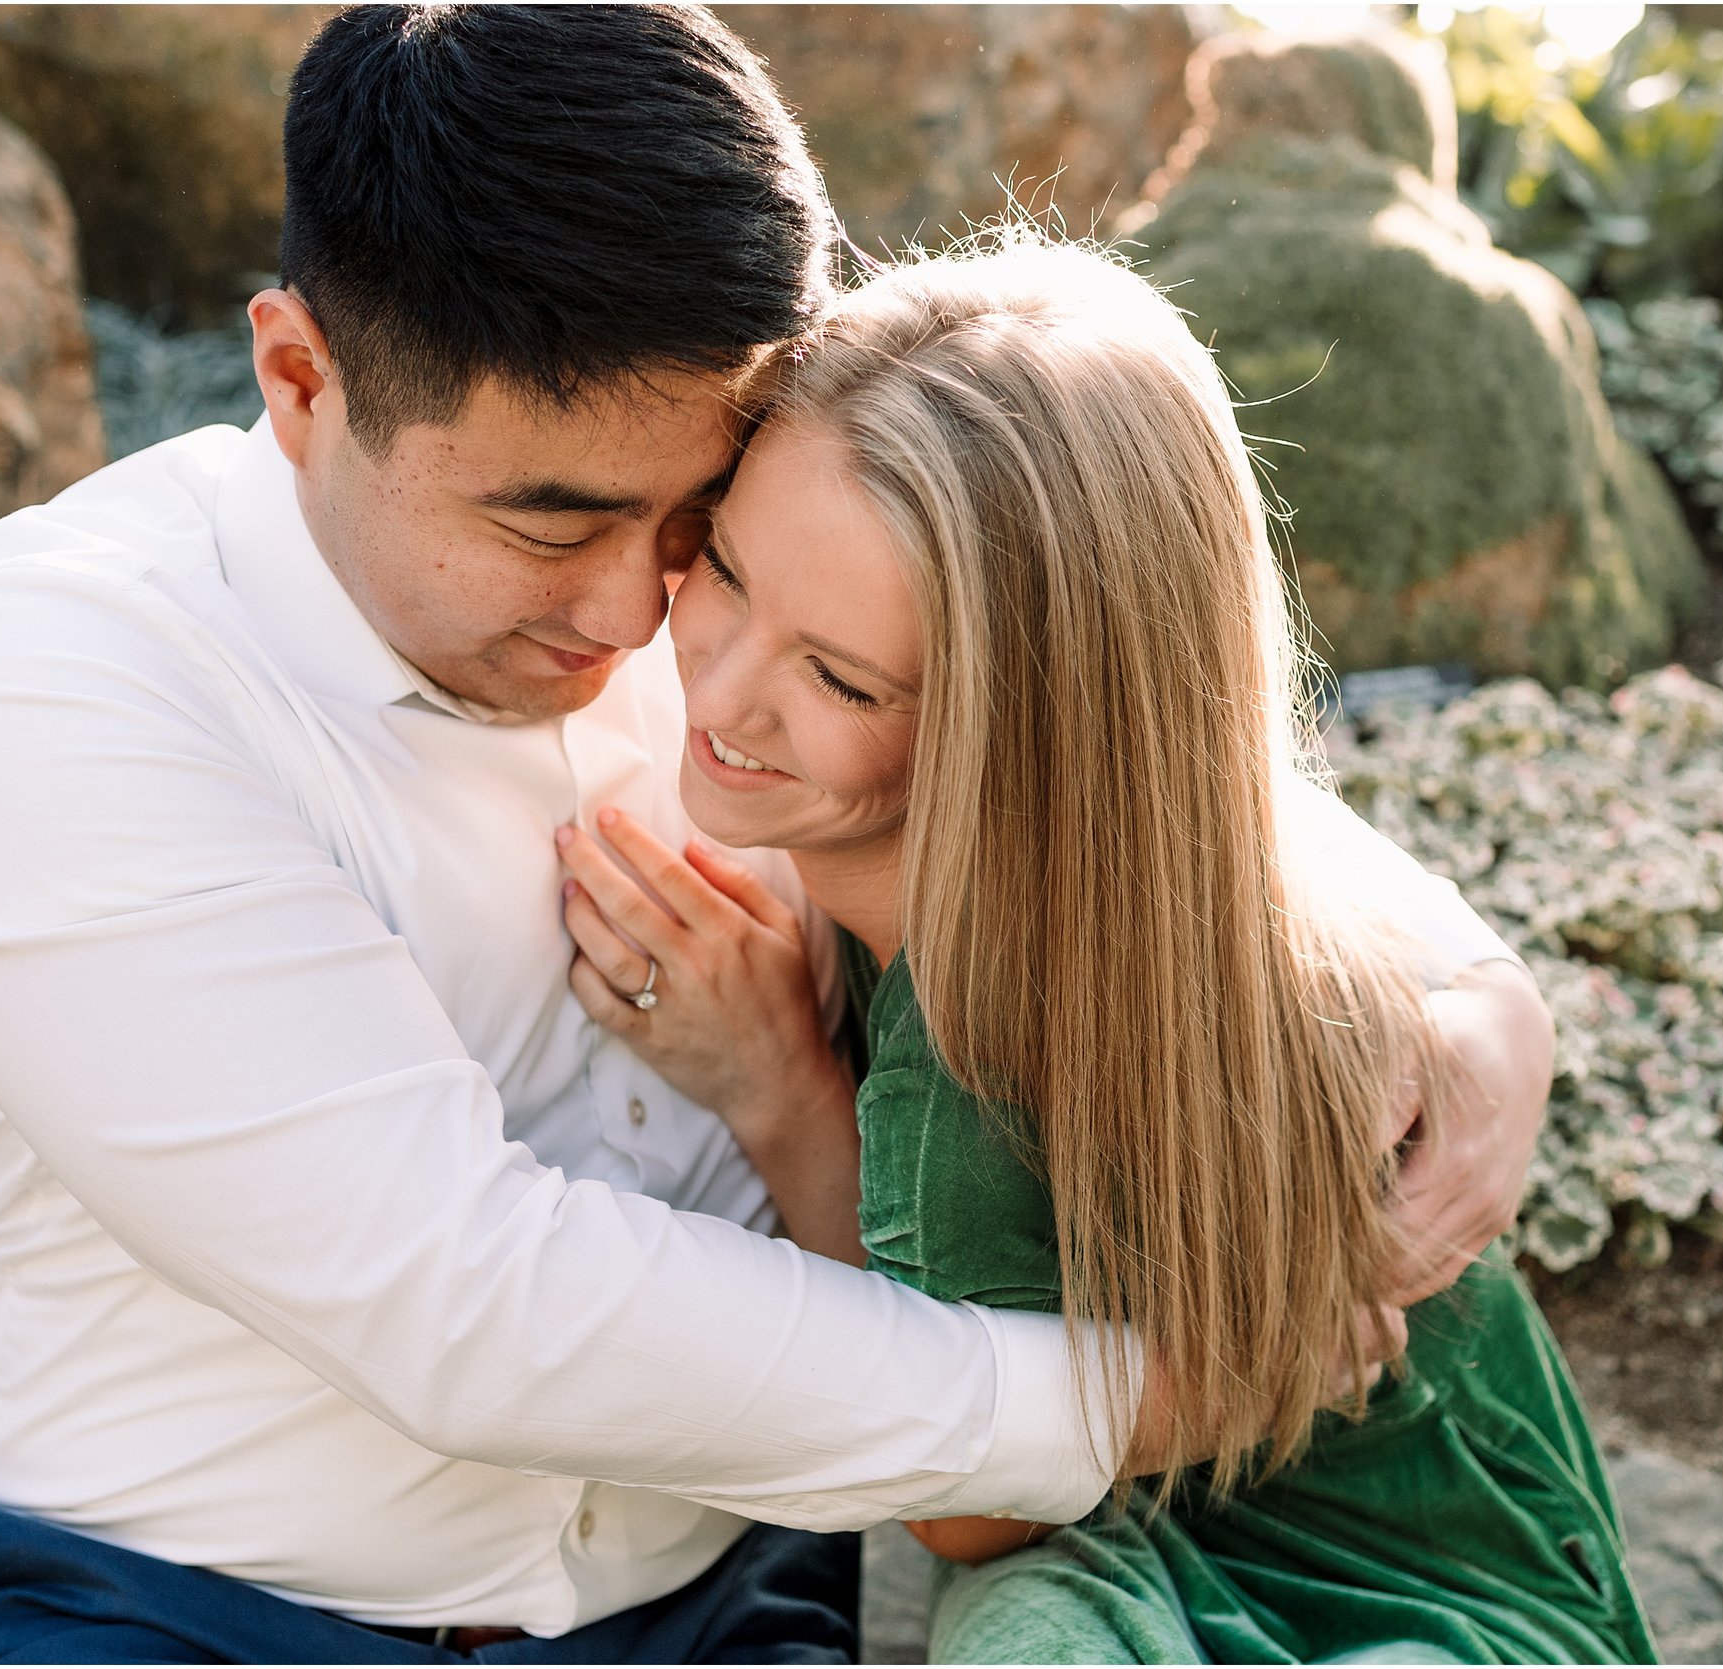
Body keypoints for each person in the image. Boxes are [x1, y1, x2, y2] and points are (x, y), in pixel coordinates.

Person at [0, 6, 1553, 1662]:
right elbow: (467, 1304)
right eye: (553, 523)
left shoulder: (741, 602)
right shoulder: (51, 687)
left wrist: (1463, 980)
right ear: (301, 379)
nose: (640, 617)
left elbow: (1085, 736)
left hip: (727, 1602)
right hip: (192, 1608)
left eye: (699, 521)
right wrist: (1152, 1389)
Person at [556, 234, 1661, 1664]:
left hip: (1423, 1585)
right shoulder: (1130, 860)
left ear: (1018, 732)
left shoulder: (968, 1050)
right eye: (723, 565)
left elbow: (961, 1506)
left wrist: (781, 1093)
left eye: (839, 675)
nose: (723, 683)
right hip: (1120, 1544)